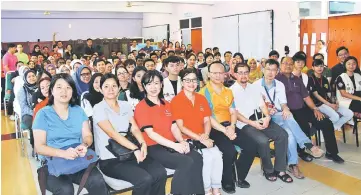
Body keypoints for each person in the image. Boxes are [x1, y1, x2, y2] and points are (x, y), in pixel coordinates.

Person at [32, 73, 108, 195]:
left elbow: (87, 136)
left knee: (97, 181)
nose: (64, 91)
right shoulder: (43, 114)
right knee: (66, 190)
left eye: (68, 87)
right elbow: (39, 147)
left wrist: (84, 145)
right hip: (53, 162)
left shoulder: (78, 111)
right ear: (51, 90)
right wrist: (63, 153)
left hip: (77, 157)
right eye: (59, 87)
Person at [92, 73, 167, 195]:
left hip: (130, 154)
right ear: (100, 89)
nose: (111, 90)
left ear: (119, 88)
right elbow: (113, 134)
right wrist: (135, 148)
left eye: (114, 86)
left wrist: (142, 144)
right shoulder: (98, 108)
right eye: (106, 86)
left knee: (160, 173)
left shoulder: (125, 105)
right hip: (111, 159)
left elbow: (135, 129)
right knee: (144, 179)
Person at [134, 70, 204, 195]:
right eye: (149, 84)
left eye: (156, 83)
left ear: (161, 85)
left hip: (171, 144)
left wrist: (182, 142)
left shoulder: (166, 104)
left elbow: (174, 127)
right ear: (144, 86)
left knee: (197, 157)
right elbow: (151, 134)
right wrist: (175, 146)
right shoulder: (141, 107)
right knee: (185, 162)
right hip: (153, 147)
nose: (153, 87)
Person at [253, 59, 325, 179]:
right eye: (268, 69)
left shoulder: (279, 85)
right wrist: (266, 110)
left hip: (279, 115)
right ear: (263, 70)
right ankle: (307, 144)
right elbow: (255, 106)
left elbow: (283, 103)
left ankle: (293, 164)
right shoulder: (255, 85)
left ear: (277, 71)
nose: (271, 73)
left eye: (274, 70)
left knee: (290, 130)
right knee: (289, 123)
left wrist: (285, 109)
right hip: (264, 117)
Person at [199, 62, 258, 193]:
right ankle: (226, 180)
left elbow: (233, 112)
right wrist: (225, 130)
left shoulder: (228, 91)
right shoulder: (203, 92)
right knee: (230, 151)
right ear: (209, 74)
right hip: (214, 128)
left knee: (252, 146)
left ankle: (239, 175)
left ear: (225, 75)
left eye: (221, 73)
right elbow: (208, 117)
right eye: (214, 73)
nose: (218, 75)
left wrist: (232, 126)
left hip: (229, 125)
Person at [230, 63, 292, 183]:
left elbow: (262, 105)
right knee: (263, 141)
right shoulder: (231, 91)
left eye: (246, 72)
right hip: (244, 124)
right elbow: (235, 114)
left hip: (259, 118)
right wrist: (252, 123)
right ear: (235, 74)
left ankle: (280, 169)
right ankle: (268, 170)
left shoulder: (254, 87)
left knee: (282, 135)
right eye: (240, 73)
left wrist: (267, 117)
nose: (243, 75)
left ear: (249, 73)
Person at [276, 56, 344, 163]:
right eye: (285, 63)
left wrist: (315, 109)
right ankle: (302, 152)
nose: (288, 66)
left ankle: (332, 153)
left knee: (326, 123)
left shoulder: (297, 79)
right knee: (303, 126)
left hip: (303, 109)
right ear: (280, 65)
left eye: (290, 64)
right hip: (288, 112)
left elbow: (306, 97)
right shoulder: (276, 80)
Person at [171, 68, 223, 194]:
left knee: (217, 155)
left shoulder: (201, 98)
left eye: (194, 80)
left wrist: (205, 135)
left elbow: (207, 121)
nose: (191, 83)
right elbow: (181, 127)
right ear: (182, 82)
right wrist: (200, 138)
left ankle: (216, 188)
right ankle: (206, 189)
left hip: (203, 136)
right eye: (187, 80)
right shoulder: (176, 101)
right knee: (206, 158)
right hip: (187, 138)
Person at [308, 59, 353, 130]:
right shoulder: (310, 79)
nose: (319, 68)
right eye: (317, 66)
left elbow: (329, 93)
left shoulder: (325, 80)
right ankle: (323, 130)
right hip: (318, 105)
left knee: (349, 113)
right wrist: (330, 105)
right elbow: (316, 95)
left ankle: (332, 128)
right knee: (335, 117)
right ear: (313, 67)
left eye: (321, 66)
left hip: (328, 103)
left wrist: (335, 102)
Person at [17, 69, 37, 150]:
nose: (32, 78)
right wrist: (34, 112)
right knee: (34, 124)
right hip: (28, 114)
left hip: (40, 111)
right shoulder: (22, 90)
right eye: (29, 77)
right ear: (25, 78)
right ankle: (35, 146)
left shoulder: (40, 87)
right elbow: (24, 107)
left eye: (33, 76)